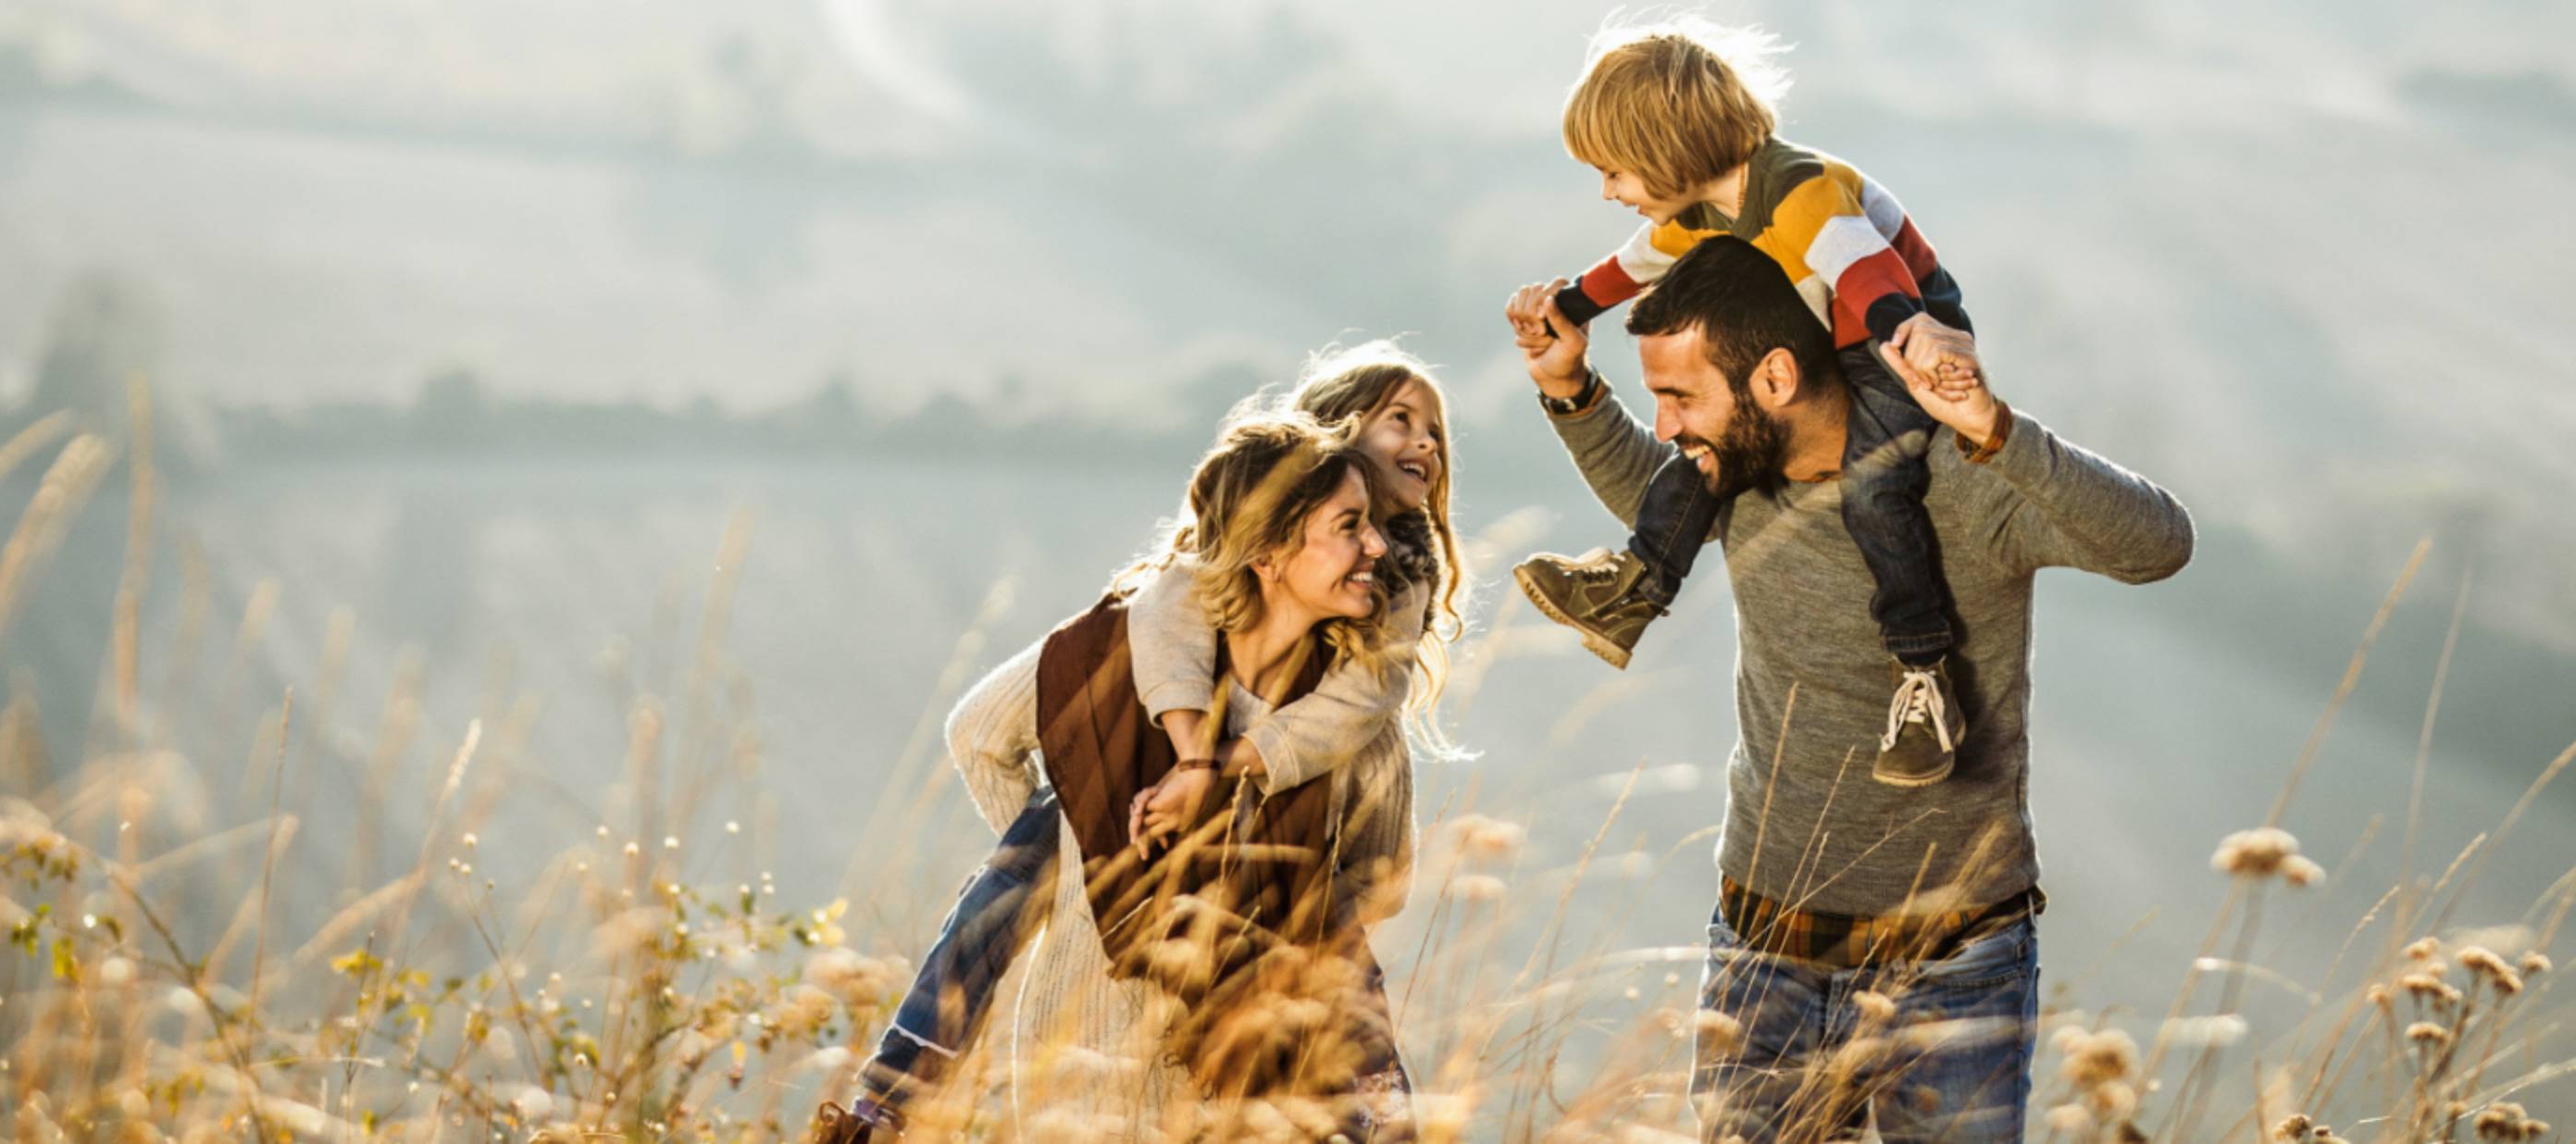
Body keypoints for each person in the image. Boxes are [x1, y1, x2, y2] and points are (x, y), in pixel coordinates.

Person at [1506, 235, 2193, 1142]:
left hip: (1954, 963)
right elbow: (1647, 493)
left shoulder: (1957, 482)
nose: (1667, 428)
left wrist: (1994, 431)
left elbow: (2155, 544)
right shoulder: (1734, 480)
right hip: (1764, 949)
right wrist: (1569, 388)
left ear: (1777, 378)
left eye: (1679, 397)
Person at [810, 405, 1443, 1142]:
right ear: (1267, 553)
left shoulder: (1351, 716)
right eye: (1349, 526)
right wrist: (1086, 859)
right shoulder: (1127, 647)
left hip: (1228, 1073)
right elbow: (979, 733)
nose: (1376, 545)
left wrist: (1092, 863)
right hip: (1094, 1049)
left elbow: (1383, 874)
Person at [1507, 18, 1989, 787]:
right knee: (1711, 444)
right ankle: (1635, 588)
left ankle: (1923, 673)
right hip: (1816, 342)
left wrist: (1920, 343)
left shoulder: (1801, 191)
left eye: (1615, 171)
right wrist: (1565, 306)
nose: (1608, 191)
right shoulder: (1699, 211)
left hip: (1892, 342)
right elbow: (1627, 270)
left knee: (1875, 486)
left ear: (1669, 150)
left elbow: (1869, 278)